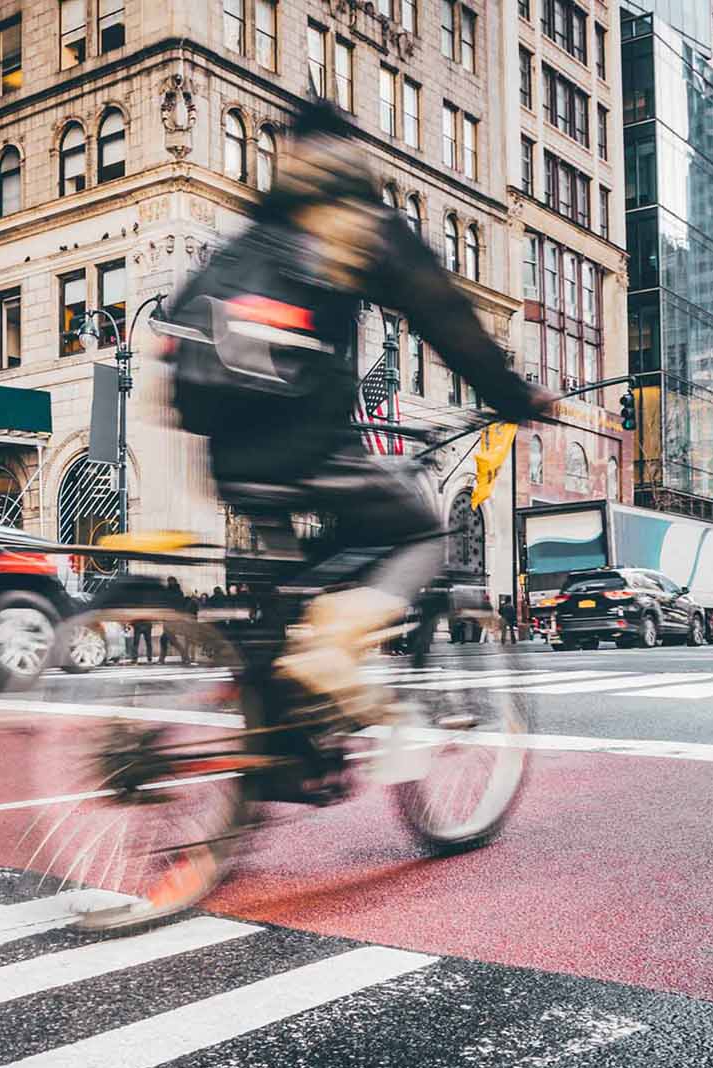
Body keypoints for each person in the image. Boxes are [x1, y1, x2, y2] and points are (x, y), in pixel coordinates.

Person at [164, 99, 550, 724]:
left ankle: (277, 739)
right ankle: (328, 657)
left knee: (296, 592)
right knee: (420, 534)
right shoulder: (357, 221)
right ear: (350, 152)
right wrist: (510, 393)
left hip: (224, 451)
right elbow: (444, 316)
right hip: (305, 443)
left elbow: (178, 329)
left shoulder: (256, 232)